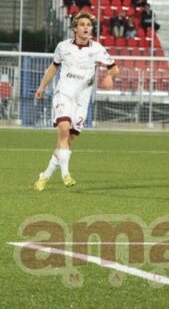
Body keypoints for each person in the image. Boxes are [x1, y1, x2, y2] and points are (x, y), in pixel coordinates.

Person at [33, 12, 119, 191]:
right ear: (75, 28)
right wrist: (41, 87)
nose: (86, 27)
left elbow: (114, 68)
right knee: (64, 130)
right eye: (82, 24)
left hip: (82, 100)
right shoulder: (63, 47)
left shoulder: (97, 49)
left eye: (89, 25)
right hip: (64, 94)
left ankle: (45, 175)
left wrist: (109, 76)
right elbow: (53, 67)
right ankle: (66, 174)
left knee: (66, 140)